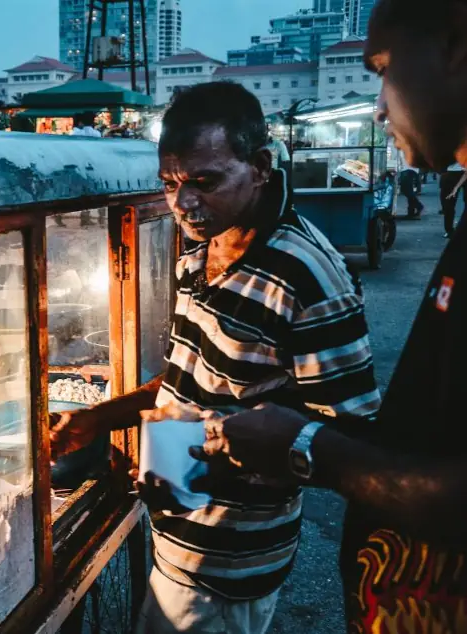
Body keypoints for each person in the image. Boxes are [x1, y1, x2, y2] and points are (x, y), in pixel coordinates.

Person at [50, 81, 381, 634]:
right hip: (180, 541)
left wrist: (197, 461)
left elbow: (349, 441)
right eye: (171, 184)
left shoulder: (307, 276)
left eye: (205, 182)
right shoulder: (201, 251)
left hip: (227, 565)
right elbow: (193, 380)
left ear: (258, 166)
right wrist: (97, 419)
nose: (183, 204)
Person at [197, 1, 467, 631]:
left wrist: (308, 445)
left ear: (455, 42)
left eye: (381, 68)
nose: (377, 106)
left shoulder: (302, 261)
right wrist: (303, 413)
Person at [440, 163, 466, 237]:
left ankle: (449, 230)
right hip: (452, 171)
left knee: (448, 203)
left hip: (452, 171)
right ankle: (450, 230)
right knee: (448, 204)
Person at [397, 148, 425, 218]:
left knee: (406, 190)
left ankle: (419, 206)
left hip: (409, 169)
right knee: (409, 190)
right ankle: (411, 212)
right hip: (407, 169)